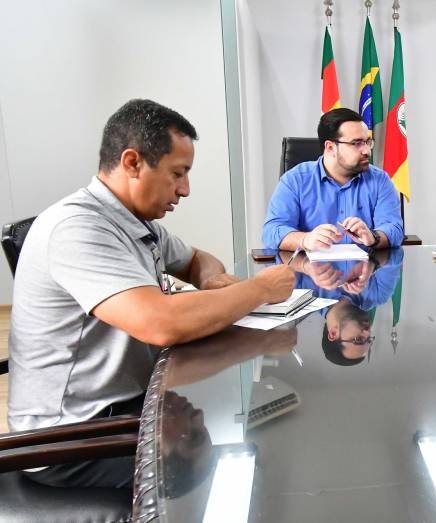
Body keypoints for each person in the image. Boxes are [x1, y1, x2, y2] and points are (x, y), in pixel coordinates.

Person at [8, 99, 295, 487]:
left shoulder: (137, 223)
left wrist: (208, 279)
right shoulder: (77, 228)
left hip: (125, 408)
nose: (186, 189)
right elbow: (162, 324)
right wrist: (259, 289)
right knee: (210, 486)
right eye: (178, 174)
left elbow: (198, 258)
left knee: (253, 445)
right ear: (132, 163)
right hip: (73, 439)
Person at [262, 108, 404, 251]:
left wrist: (374, 237)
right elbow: (272, 231)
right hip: (310, 270)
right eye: (357, 143)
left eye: (368, 142)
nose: (367, 151)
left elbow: (394, 229)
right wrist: (305, 239)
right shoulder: (295, 180)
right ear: (330, 147)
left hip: (365, 271)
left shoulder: (380, 180)